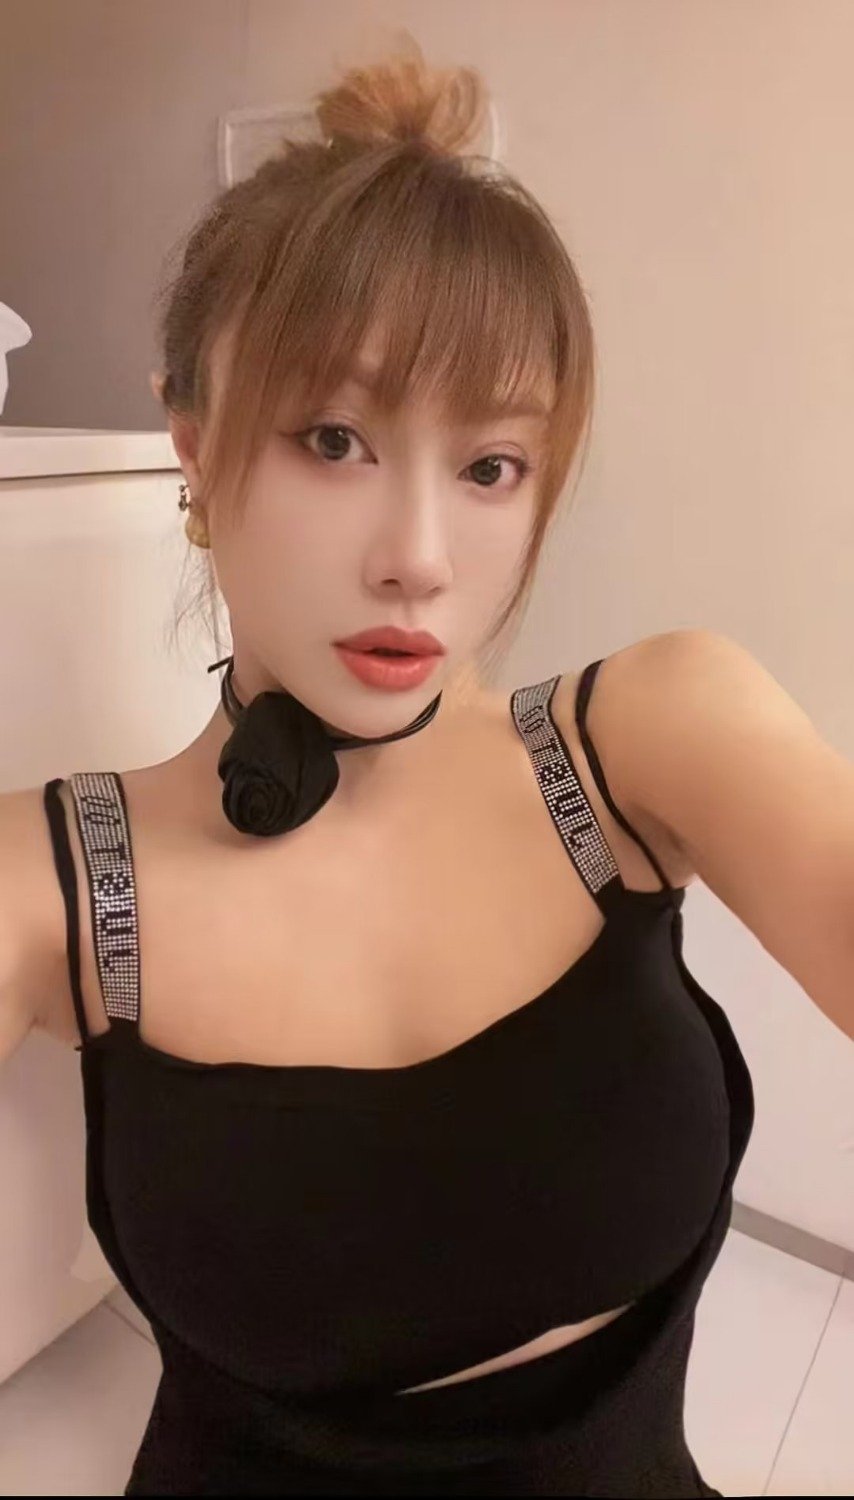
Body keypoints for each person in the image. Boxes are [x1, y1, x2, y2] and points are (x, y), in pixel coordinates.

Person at [3, 33, 753, 1497]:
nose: (418, 559)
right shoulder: (55, 880)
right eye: (334, 438)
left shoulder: (641, 743)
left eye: (490, 467)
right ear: (192, 449)